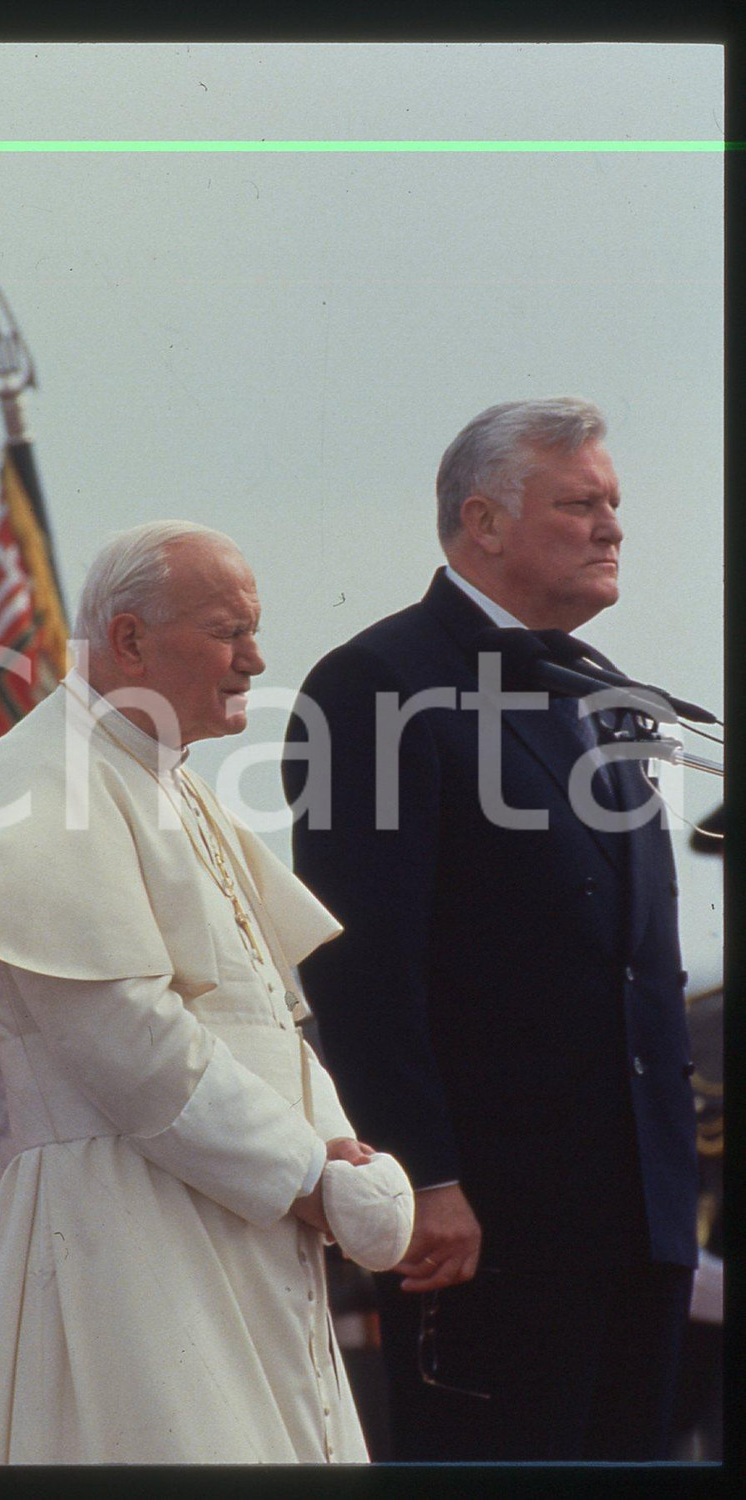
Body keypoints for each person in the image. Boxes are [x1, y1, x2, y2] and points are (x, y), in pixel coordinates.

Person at [0, 520, 414, 1466]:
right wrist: (308, 1176)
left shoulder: (177, 786)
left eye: (254, 629)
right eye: (226, 631)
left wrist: (334, 1153)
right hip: (127, 1238)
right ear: (128, 641)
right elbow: (134, 1047)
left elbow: (267, 1017)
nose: (255, 658)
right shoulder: (50, 785)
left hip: (238, 1218)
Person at [283, 399, 699, 1462]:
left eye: (612, 504)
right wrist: (421, 1177)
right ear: (485, 521)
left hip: (634, 1224)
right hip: (486, 1227)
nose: (611, 527)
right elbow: (358, 961)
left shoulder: (596, 691)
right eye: (579, 504)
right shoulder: (380, 684)